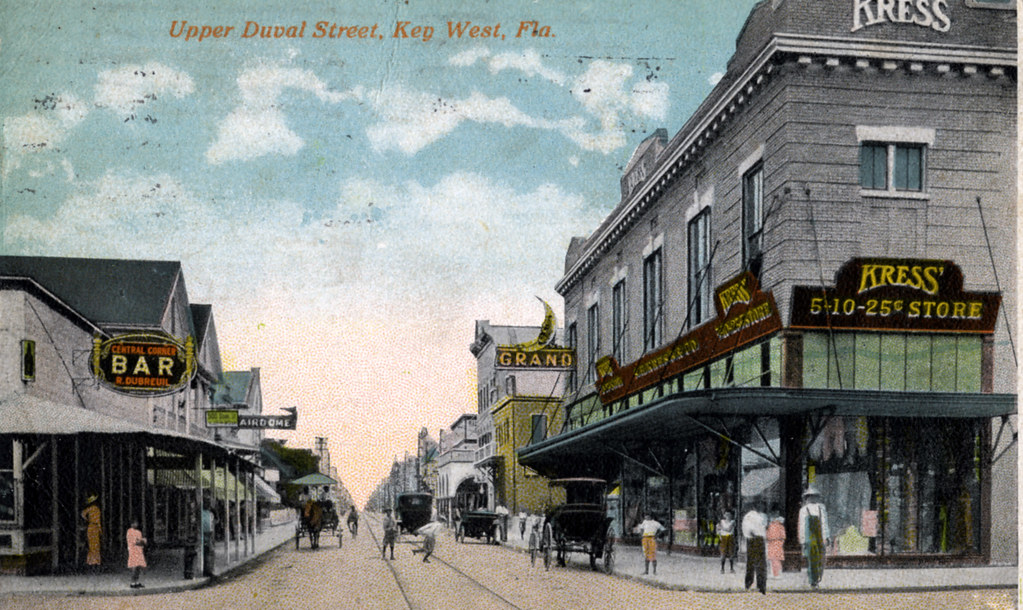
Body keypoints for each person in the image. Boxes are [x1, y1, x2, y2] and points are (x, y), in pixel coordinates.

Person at [798, 487, 830, 589]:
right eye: (810, 496)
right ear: (807, 498)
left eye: (814, 496)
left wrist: (826, 537)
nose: (812, 498)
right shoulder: (803, 510)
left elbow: (824, 523)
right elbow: (802, 525)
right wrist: (802, 540)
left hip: (819, 536)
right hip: (809, 537)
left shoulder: (821, 508)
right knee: (811, 559)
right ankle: (813, 580)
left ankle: (818, 578)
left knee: (821, 558)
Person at [742, 503, 768, 594]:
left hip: (753, 539)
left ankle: (749, 584)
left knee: (751, 562)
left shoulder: (750, 516)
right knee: (760, 563)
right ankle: (761, 585)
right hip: (757, 539)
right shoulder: (752, 516)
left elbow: (746, 530)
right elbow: (750, 529)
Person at [81, 494, 102, 570]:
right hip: (95, 527)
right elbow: (98, 521)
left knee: (92, 545)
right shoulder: (96, 509)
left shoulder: (89, 509)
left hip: (91, 526)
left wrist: (87, 520)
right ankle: (95, 562)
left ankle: (91, 562)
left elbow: (83, 514)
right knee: (95, 545)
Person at [126, 519, 147, 589]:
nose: (135, 524)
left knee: (138, 567)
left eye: (136, 523)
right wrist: (142, 541)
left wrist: (141, 541)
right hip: (133, 551)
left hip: (139, 550)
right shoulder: (129, 532)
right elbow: (135, 542)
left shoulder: (138, 532)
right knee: (134, 566)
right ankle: (132, 582)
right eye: (134, 523)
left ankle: (136, 581)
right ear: (131, 524)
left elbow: (140, 541)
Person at [201, 498, 215, 576]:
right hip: (206, 534)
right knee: (209, 552)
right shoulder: (209, 514)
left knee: (207, 552)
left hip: (206, 534)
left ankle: (208, 569)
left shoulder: (209, 514)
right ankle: (208, 569)